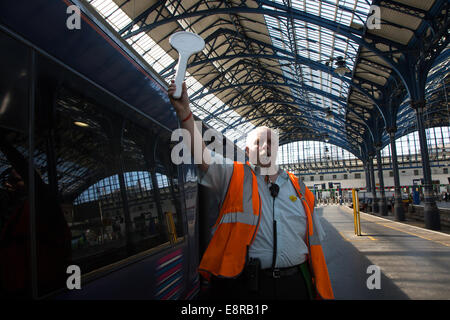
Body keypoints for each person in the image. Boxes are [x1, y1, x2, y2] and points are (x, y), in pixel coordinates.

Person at [168, 81, 334, 300]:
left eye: (270, 143)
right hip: (249, 287)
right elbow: (202, 156)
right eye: (258, 143)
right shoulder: (234, 176)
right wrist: (185, 113)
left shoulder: (300, 188)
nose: (265, 147)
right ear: (247, 151)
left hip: (295, 284)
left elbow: (314, 242)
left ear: (277, 149)